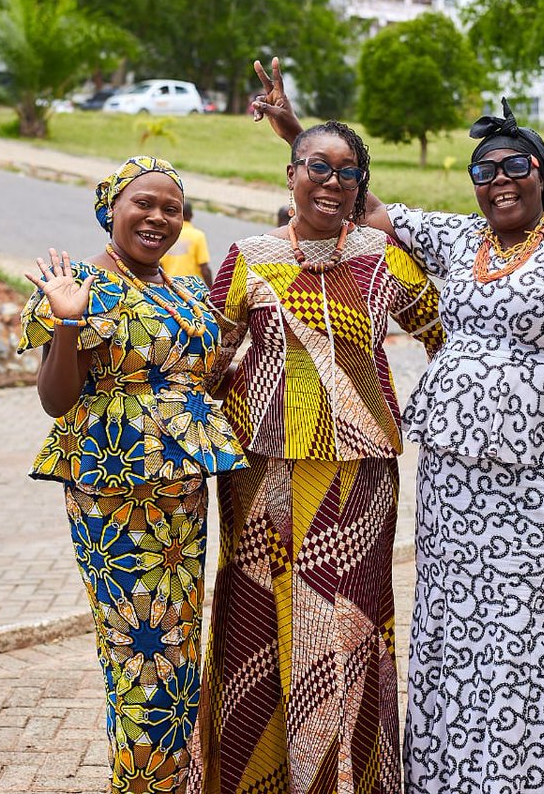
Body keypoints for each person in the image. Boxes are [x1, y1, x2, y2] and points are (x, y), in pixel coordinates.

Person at [253, 60, 544, 793]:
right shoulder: (462, 239)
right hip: (450, 474)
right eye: (483, 170)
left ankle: (515, 781)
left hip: (535, 477)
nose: (499, 181)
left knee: (512, 632)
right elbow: (359, 200)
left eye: (515, 165)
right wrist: (297, 133)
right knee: (443, 626)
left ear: (542, 172)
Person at [190, 114, 444, 792]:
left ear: (361, 184)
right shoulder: (248, 257)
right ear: (291, 175)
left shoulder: (384, 256)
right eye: (318, 168)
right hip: (262, 473)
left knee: (349, 623)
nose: (332, 182)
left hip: (361, 476)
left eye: (347, 172)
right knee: (257, 618)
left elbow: (447, 336)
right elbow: (208, 360)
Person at [17, 156, 246, 794]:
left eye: (172, 208)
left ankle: (175, 782)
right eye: (143, 203)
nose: (158, 217)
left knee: (179, 653)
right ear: (111, 208)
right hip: (112, 494)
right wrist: (68, 321)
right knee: (138, 654)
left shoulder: (187, 291)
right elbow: (56, 400)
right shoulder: (79, 285)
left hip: (183, 494)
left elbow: (205, 381)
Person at [161, 200, 214, 286]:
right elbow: (205, 269)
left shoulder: (167, 234)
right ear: (191, 215)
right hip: (191, 287)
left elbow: (159, 265)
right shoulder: (197, 236)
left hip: (170, 286)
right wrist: (212, 290)